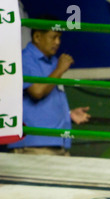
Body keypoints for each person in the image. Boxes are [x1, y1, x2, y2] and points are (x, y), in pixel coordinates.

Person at [8, 18, 90, 156]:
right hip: (34, 144)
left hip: (57, 143)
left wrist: (68, 114)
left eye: (59, 37)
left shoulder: (52, 61)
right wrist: (60, 69)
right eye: (53, 37)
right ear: (37, 37)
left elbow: (47, 101)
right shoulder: (24, 58)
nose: (57, 42)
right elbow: (37, 92)